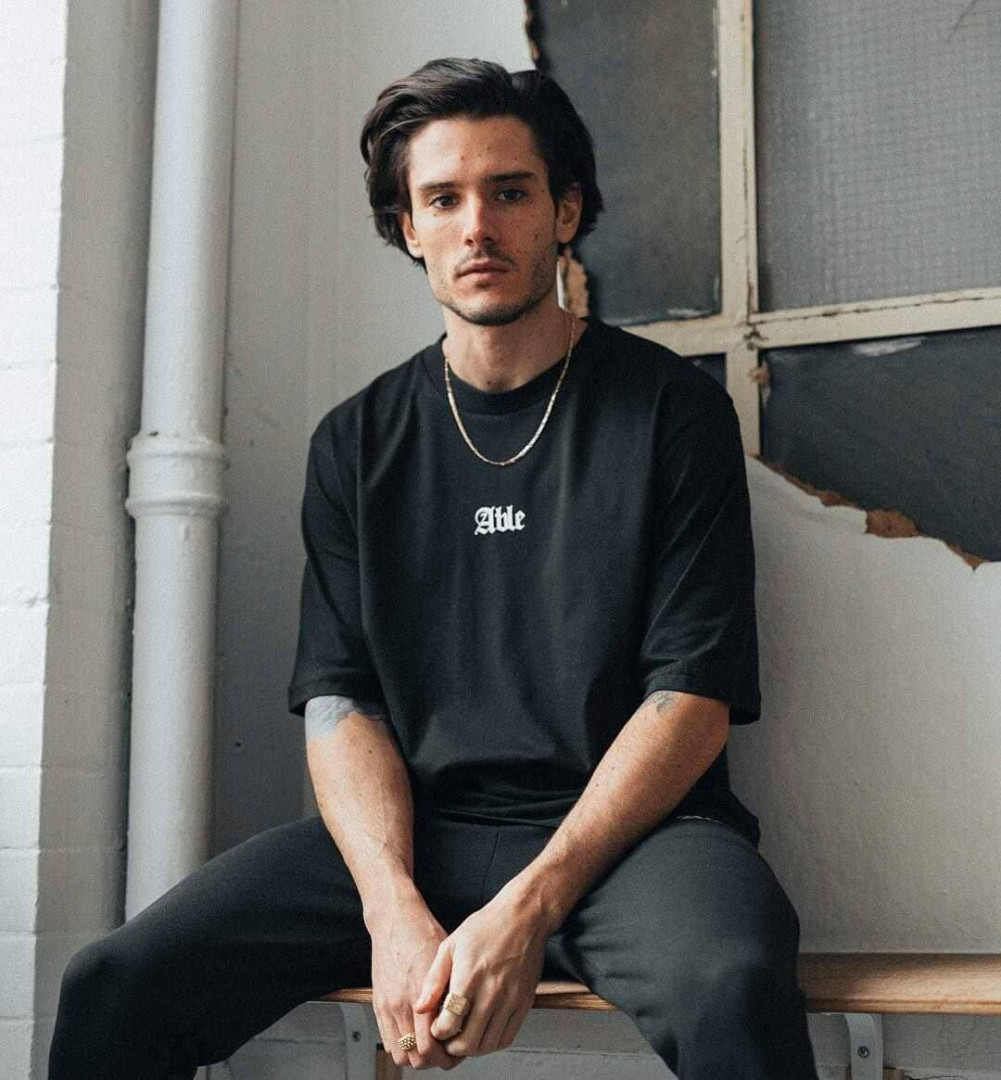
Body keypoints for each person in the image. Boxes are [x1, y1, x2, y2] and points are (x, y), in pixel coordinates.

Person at [49, 57, 819, 1078]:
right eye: (443, 199)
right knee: (115, 982)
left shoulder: (670, 413)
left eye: (510, 192)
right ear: (407, 226)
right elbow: (340, 704)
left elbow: (692, 699)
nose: (476, 227)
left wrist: (527, 907)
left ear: (564, 211)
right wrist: (390, 908)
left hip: (634, 839)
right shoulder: (356, 441)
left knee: (732, 981)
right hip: (415, 833)